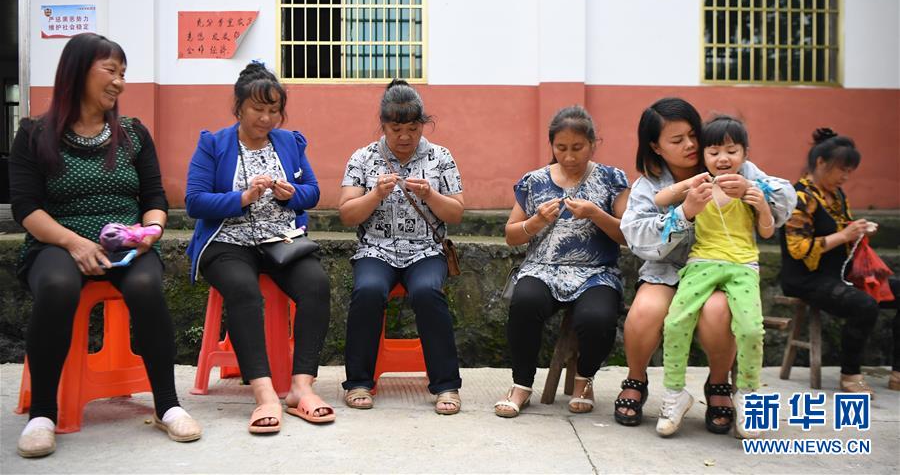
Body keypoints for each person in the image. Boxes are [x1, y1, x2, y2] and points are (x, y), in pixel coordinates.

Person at [9, 33, 201, 458]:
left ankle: (168, 405)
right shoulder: (34, 134)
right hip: (57, 242)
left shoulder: (132, 133)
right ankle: (43, 414)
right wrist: (74, 243)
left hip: (127, 244)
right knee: (58, 287)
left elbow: (154, 197)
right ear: (77, 71)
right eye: (110, 71)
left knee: (146, 287)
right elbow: (26, 207)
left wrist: (151, 231)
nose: (119, 82)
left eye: (123, 74)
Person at [617, 97, 796, 434]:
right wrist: (684, 213)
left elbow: (784, 197)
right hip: (667, 271)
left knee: (717, 312)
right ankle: (636, 379)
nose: (690, 145)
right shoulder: (650, 184)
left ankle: (718, 384)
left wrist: (751, 189)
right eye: (677, 140)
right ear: (655, 146)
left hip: (721, 268)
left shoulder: (729, 162)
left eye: (692, 135)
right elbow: (637, 236)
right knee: (645, 312)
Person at [185, 61, 332, 434]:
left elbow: (313, 193)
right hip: (227, 241)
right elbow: (194, 201)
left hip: (281, 240)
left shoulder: (289, 142)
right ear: (239, 107)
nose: (266, 118)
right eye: (257, 109)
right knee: (244, 291)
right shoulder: (213, 144)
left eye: (273, 110)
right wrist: (241, 198)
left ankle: (301, 388)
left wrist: (291, 194)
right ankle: (265, 394)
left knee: (316, 284)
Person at [494, 106, 629, 418]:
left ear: (593, 144)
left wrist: (596, 214)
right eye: (561, 148)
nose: (569, 157)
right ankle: (521, 384)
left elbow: (627, 235)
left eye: (577, 148)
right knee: (525, 302)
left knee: (597, 318)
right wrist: (537, 221)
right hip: (542, 269)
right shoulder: (534, 181)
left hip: (596, 273)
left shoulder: (612, 179)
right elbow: (511, 235)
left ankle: (585, 379)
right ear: (552, 145)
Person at [338, 80, 464, 414]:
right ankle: (359, 382)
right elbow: (347, 214)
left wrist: (430, 195)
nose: (405, 137)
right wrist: (375, 194)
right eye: (396, 129)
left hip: (425, 250)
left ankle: (446, 385)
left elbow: (456, 212)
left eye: (413, 128)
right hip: (375, 250)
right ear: (383, 126)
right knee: (367, 291)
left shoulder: (440, 157)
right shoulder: (363, 157)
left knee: (427, 292)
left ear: (423, 125)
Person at [653, 116, 774, 438]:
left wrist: (761, 203)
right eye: (714, 151)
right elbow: (659, 200)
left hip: (743, 266)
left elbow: (767, 231)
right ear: (704, 155)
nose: (723, 158)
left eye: (731, 151)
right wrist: (688, 188)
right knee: (675, 322)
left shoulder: (752, 188)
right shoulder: (700, 185)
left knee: (751, 329)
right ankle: (675, 394)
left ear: (745, 154)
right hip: (701, 264)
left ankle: (747, 395)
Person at [780, 128, 900, 395]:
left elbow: (843, 230)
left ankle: (897, 374)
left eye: (849, 171)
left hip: (840, 274)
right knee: (864, 305)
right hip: (805, 278)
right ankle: (850, 375)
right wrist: (845, 235)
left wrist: (859, 230)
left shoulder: (837, 195)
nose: (846, 177)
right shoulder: (799, 197)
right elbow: (798, 249)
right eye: (841, 170)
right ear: (821, 163)